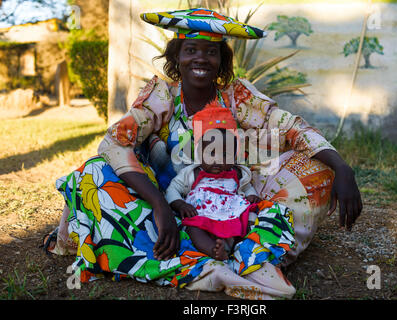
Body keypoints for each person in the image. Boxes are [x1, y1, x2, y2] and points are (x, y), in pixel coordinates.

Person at [45, 8, 362, 299]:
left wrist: (342, 168)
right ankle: (222, 264)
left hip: (232, 205)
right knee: (96, 172)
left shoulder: (237, 97)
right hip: (170, 213)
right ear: (177, 56)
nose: (201, 59)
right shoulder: (162, 95)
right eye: (191, 50)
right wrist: (160, 205)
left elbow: (291, 127)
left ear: (222, 60)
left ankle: (250, 256)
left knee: (318, 170)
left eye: (211, 52)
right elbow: (115, 141)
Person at [166, 106, 264, 261]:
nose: (218, 159)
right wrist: (180, 205)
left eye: (225, 154)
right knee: (193, 227)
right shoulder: (193, 173)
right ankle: (213, 250)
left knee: (249, 217)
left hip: (231, 216)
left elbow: (247, 187)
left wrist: (252, 195)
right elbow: (172, 189)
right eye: (211, 153)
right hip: (202, 216)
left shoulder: (237, 173)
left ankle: (241, 249)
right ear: (199, 153)